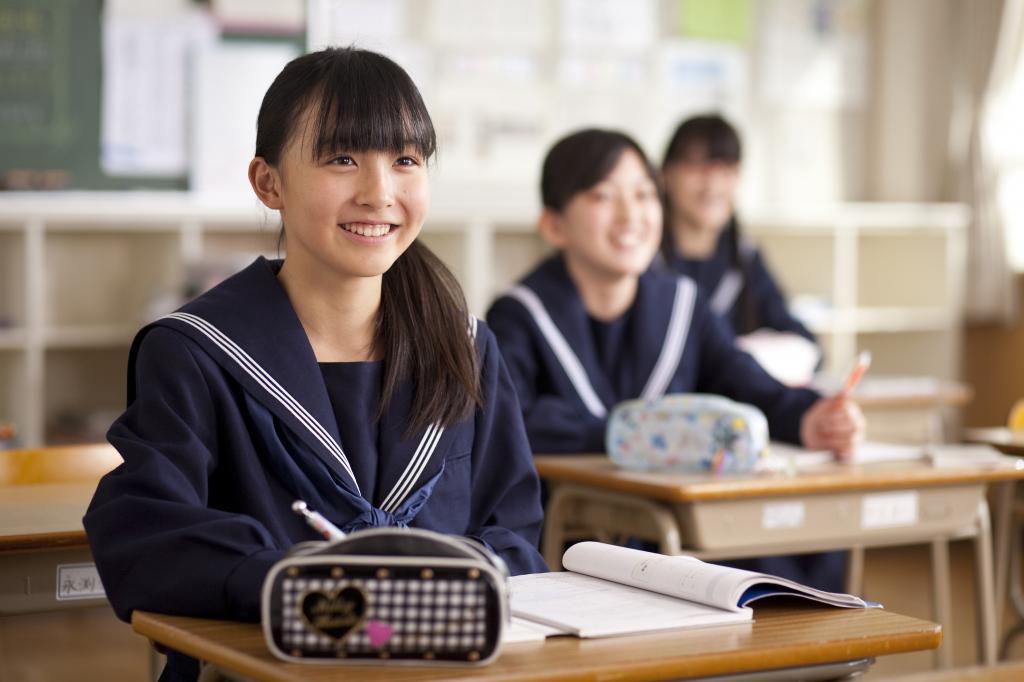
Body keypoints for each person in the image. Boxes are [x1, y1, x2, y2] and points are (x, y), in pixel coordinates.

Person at [85, 47, 546, 681]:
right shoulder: (197, 351)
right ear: (268, 182)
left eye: (405, 161)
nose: (378, 192)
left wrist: (443, 577)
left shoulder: (464, 346)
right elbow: (143, 534)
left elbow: (515, 530)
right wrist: (302, 583)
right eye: (342, 159)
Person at [485, 128, 862, 589]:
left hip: (680, 523)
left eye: (645, 195)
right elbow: (513, 423)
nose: (631, 216)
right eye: (604, 196)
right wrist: (646, 436)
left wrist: (811, 418)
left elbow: (745, 383)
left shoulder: (682, 304)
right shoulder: (519, 315)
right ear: (554, 225)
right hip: (578, 538)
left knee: (807, 553)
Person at [660, 114, 819, 385]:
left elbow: (802, 342)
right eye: (697, 167)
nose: (713, 184)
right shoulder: (643, 262)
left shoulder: (744, 258)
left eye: (726, 170)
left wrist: (739, 355)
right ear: (665, 175)